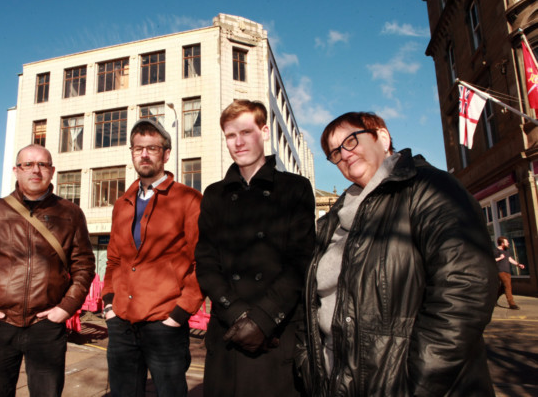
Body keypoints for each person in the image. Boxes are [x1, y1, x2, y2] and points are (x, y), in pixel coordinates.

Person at [303, 112, 497, 396]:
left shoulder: (429, 188)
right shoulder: (334, 218)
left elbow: (465, 289)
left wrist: (420, 383)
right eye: (334, 152)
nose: (343, 154)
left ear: (382, 137)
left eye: (351, 141)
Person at [195, 100, 316, 397]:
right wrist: (236, 313)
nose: (238, 142)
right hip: (228, 332)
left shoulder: (294, 189)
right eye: (230, 135)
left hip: (275, 333)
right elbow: (206, 261)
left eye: (246, 132)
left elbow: (301, 262)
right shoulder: (214, 195)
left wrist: (262, 319)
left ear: (264, 132)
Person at [0, 144, 96, 397]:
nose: (35, 170)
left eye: (42, 164)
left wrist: (66, 307)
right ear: (16, 171)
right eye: (28, 164)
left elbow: (84, 265)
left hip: (46, 324)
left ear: (52, 171)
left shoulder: (70, 213)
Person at [102, 119, 204, 397]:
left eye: (152, 148)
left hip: (165, 324)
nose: (144, 154)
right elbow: (113, 261)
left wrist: (179, 314)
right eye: (138, 148)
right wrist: (109, 304)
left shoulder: (189, 200)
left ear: (166, 154)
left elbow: (203, 262)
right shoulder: (122, 204)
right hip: (121, 322)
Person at [495, 236, 525, 310]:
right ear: (502, 243)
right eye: (506, 242)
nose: (508, 243)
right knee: (508, 286)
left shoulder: (506, 251)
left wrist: (518, 264)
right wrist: (500, 258)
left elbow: (509, 259)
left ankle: (493, 300)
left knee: (503, 288)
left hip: (507, 271)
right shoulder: (496, 251)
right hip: (500, 271)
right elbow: (492, 260)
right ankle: (512, 304)